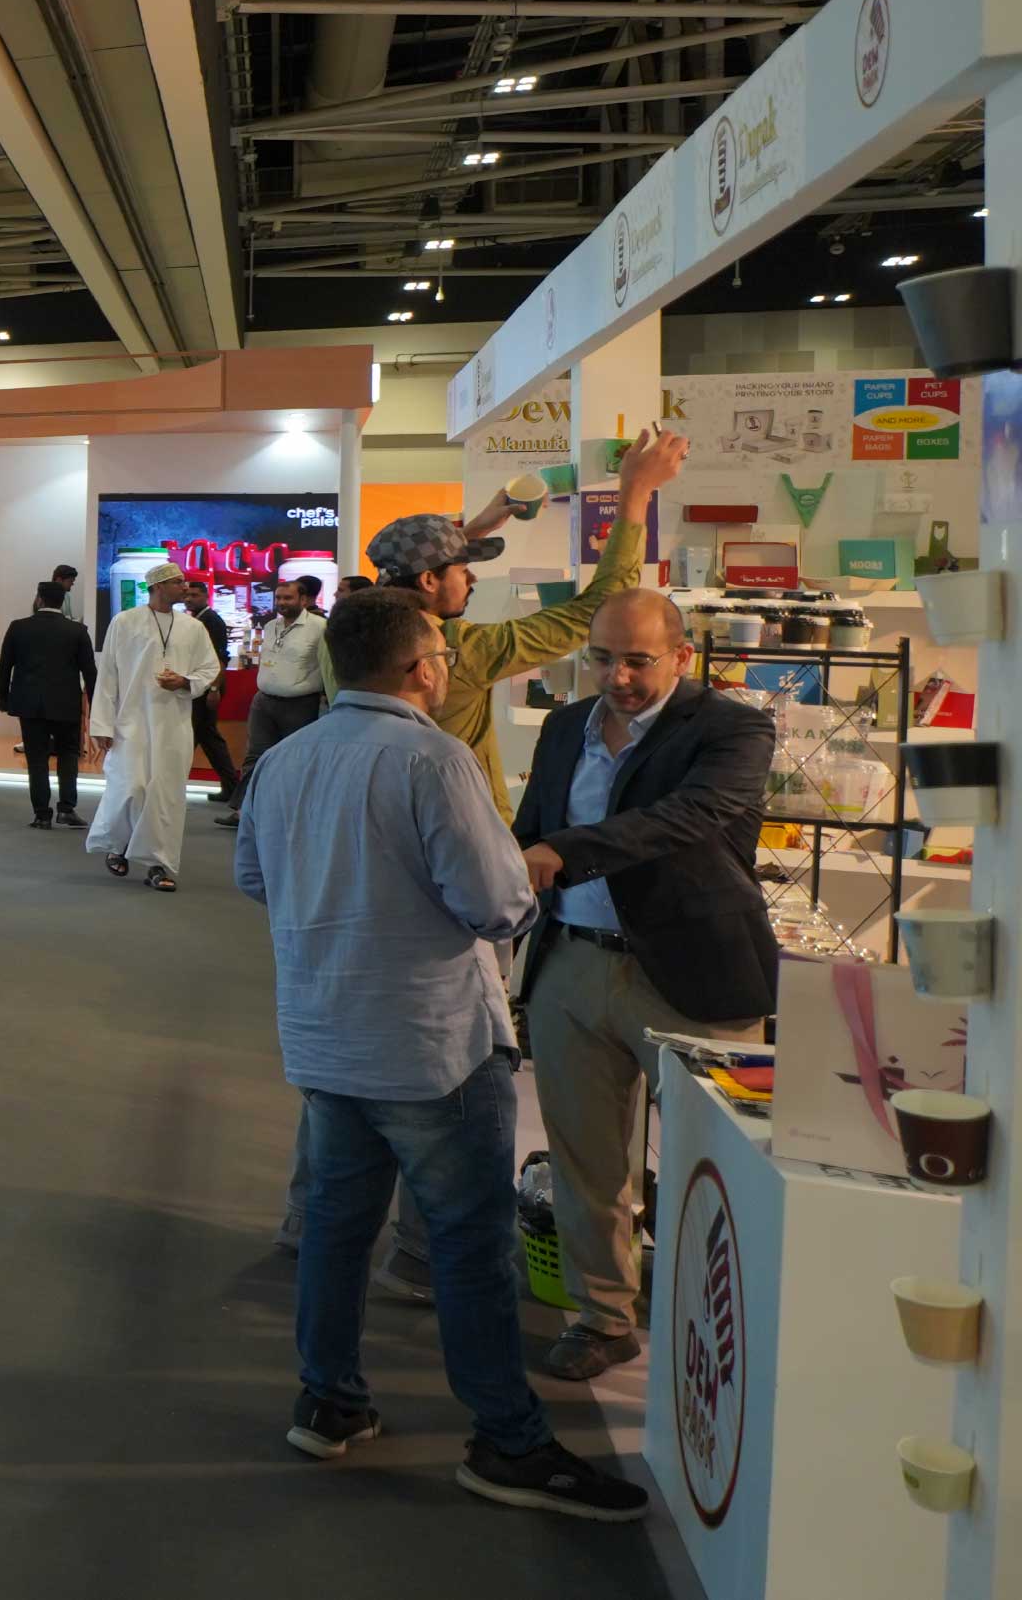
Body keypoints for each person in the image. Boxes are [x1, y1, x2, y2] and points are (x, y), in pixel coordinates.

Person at [233, 590, 652, 1522]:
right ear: (421, 668)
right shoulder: (434, 758)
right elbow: (494, 907)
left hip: (325, 1033)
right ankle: (509, 1441)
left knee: (337, 1229)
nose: (449, 668)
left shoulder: (286, 759)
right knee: (468, 1246)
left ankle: (329, 1400)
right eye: (443, 656)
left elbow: (255, 877)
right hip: (433, 1045)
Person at [511, 588, 777, 1382]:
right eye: (601, 658)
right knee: (584, 1157)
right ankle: (602, 1318)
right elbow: (532, 829)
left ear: (682, 656)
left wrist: (564, 850)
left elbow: (685, 818)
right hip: (572, 963)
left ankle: (725, 1330)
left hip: (695, 972)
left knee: (719, 1163)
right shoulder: (565, 726)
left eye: (637, 660)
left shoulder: (732, 728)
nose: (617, 677)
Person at [336, 427, 688, 817]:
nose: (471, 578)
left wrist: (466, 535)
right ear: (429, 581)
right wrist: (636, 491)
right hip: (459, 822)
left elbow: (392, 587)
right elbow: (599, 607)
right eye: (462, 569)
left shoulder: (348, 633)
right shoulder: (456, 651)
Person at [85, 566, 218, 890]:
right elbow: (108, 676)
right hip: (130, 721)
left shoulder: (194, 627)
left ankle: (159, 864)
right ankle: (118, 846)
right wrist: (101, 724)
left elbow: (209, 667)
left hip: (173, 724)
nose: (184, 587)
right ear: (157, 586)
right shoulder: (124, 622)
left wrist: (184, 681)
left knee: (165, 794)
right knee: (130, 787)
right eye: (177, 582)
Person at [219, 573, 330, 827]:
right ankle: (244, 812)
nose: (281, 603)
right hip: (264, 701)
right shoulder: (270, 626)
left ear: (303, 599)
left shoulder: (319, 627)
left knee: (295, 760)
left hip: (300, 704)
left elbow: (327, 666)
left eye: (288, 598)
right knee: (254, 757)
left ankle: (293, 815)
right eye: (278, 598)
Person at [0, 581, 93, 830]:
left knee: (36, 758)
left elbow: (5, 665)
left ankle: (42, 814)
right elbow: (89, 671)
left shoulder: (19, 627)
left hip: (29, 703)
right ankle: (67, 809)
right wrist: (95, 703)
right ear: (62, 602)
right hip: (66, 704)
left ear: (39, 599)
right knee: (68, 755)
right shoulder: (77, 630)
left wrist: (3, 698)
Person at [187, 591, 246, 806]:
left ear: (205, 596)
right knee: (208, 737)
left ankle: (171, 784)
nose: (188, 599)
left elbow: (219, 658)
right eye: (187, 595)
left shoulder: (211, 620)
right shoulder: (199, 619)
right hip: (200, 685)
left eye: (194, 595)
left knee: (192, 735)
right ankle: (231, 786)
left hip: (206, 687)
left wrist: (214, 687)